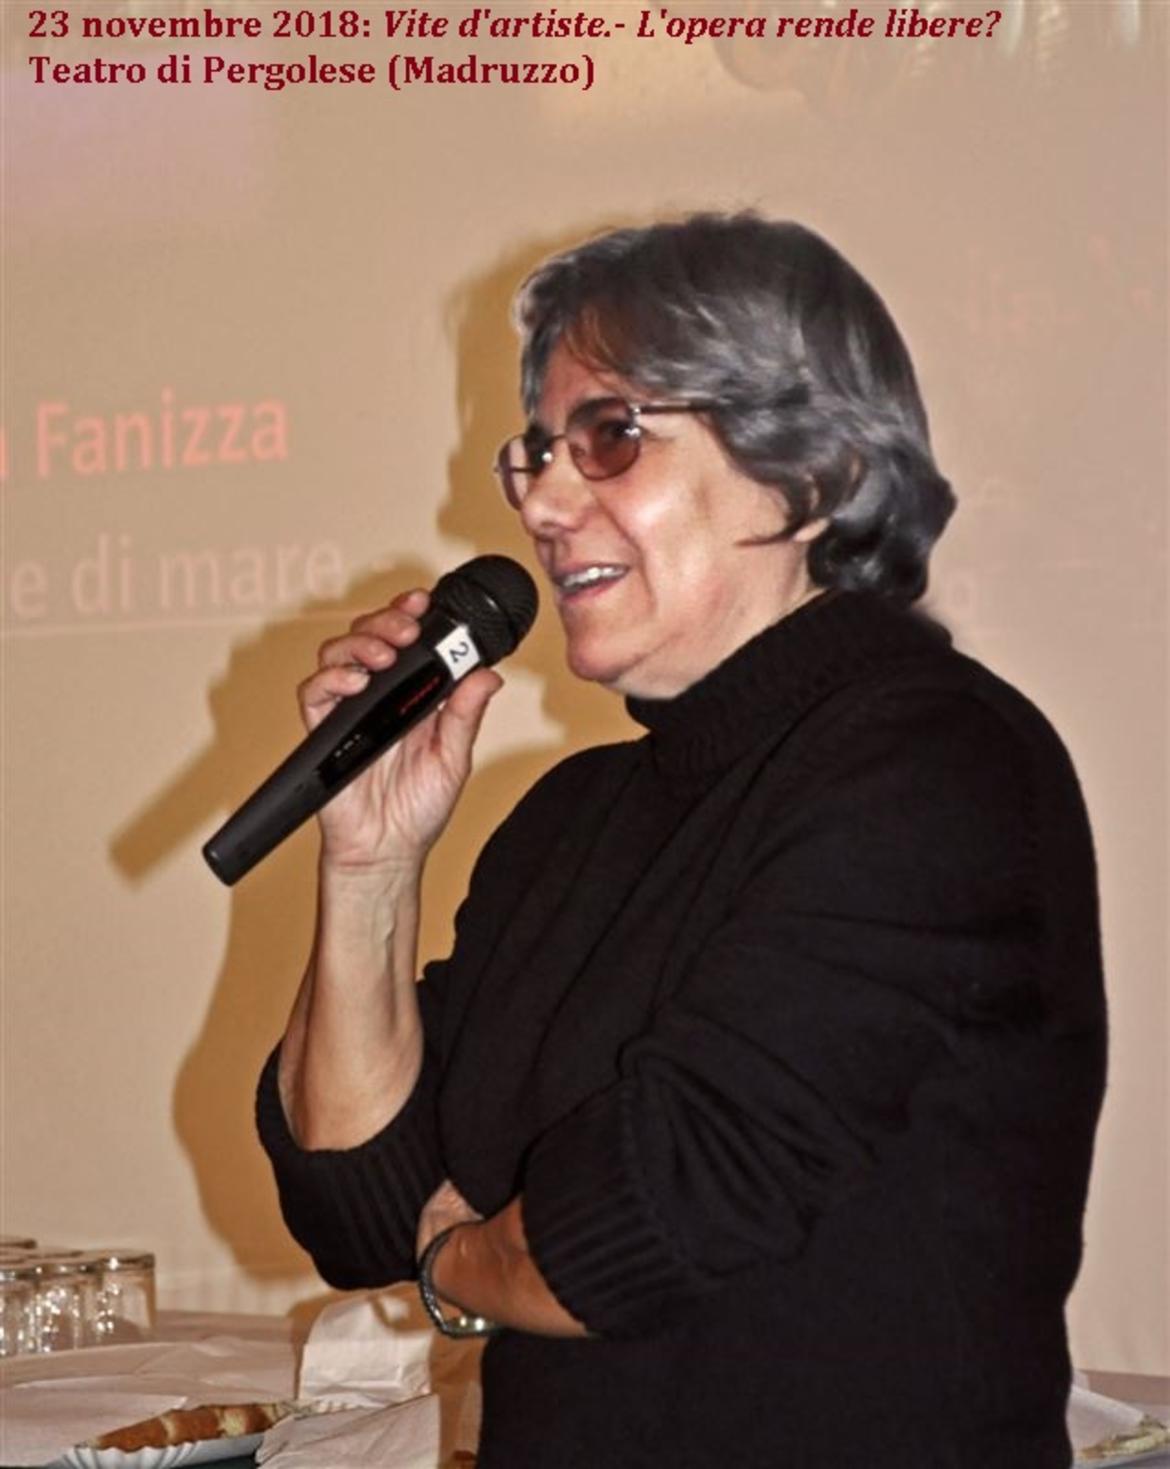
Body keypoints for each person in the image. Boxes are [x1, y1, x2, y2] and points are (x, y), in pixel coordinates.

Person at [256, 213, 1107, 1468]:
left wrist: (453, 1260)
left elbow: (637, 1221)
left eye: (610, 437)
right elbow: (352, 1202)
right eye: (536, 454)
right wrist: (369, 864)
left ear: (810, 470)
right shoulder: (572, 816)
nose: (543, 503)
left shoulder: (936, 761)